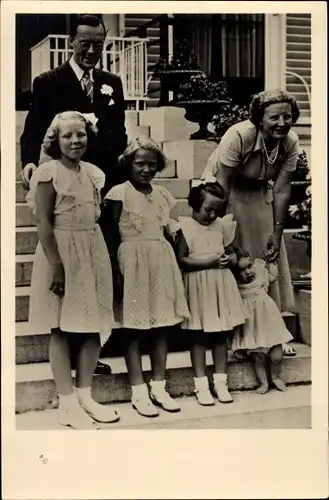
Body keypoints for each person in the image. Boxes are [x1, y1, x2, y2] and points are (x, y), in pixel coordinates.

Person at [20, 14, 128, 374]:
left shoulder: (112, 83)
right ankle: (70, 354)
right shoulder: (48, 81)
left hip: (99, 186)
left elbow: (120, 136)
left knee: (97, 275)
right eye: (85, 43)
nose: (92, 50)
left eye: (99, 43)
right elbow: (34, 129)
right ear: (71, 43)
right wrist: (30, 164)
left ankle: (91, 352)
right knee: (72, 277)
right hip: (64, 184)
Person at [26, 111, 119, 429]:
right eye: (67, 136)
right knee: (61, 328)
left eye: (80, 134)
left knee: (93, 326)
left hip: (91, 250)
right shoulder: (48, 172)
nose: (75, 141)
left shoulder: (94, 173)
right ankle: (66, 403)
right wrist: (56, 266)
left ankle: (84, 395)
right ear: (56, 139)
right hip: (61, 252)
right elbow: (43, 222)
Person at [201, 89, 300, 358]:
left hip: (259, 191)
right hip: (224, 192)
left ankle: (273, 334)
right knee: (238, 255)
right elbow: (222, 184)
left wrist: (278, 233)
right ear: (259, 119)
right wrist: (221, 232)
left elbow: (281, 189)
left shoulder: (290, 142)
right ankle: (240, 337)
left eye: (287, 117)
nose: (282, 123)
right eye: (274, 117)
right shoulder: (240, 135)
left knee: (267, 256)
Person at [104, 136, 190, 418]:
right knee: (134, 329)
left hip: (160, 262)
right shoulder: (120, 193)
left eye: (152, 165)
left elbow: (169, 230)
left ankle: (159, 386)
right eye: (140, 164)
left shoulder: (163, 195)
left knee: (161, 326)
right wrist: (116, 271)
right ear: (129, 164)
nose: (146, 169)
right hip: (132, 262)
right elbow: (112, 235)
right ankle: (138, 390)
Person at [175, 182, 247, 405]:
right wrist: (210, 261)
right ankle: (201, 385)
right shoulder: (186, 227)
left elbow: (232, 254)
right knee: (198, 336)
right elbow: (182, 260)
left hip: (220, 285)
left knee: (220, 335)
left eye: (218, 210)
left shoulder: (220, 226)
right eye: (208, 209)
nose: (213, 214)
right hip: (199, 285)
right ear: (195, 206)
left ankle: (220, 382)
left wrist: (229, 259)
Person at [231, 249, 294, 394]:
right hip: (253, 329)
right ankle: (264, 382)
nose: (248, 272)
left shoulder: (261, 276)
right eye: (242, 270)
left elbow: (273, 276)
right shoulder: (236, 287)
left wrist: (272, 262)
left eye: (250, 266)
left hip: (270, 324)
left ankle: (275, 376)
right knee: (257, 357)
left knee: (277, 356)